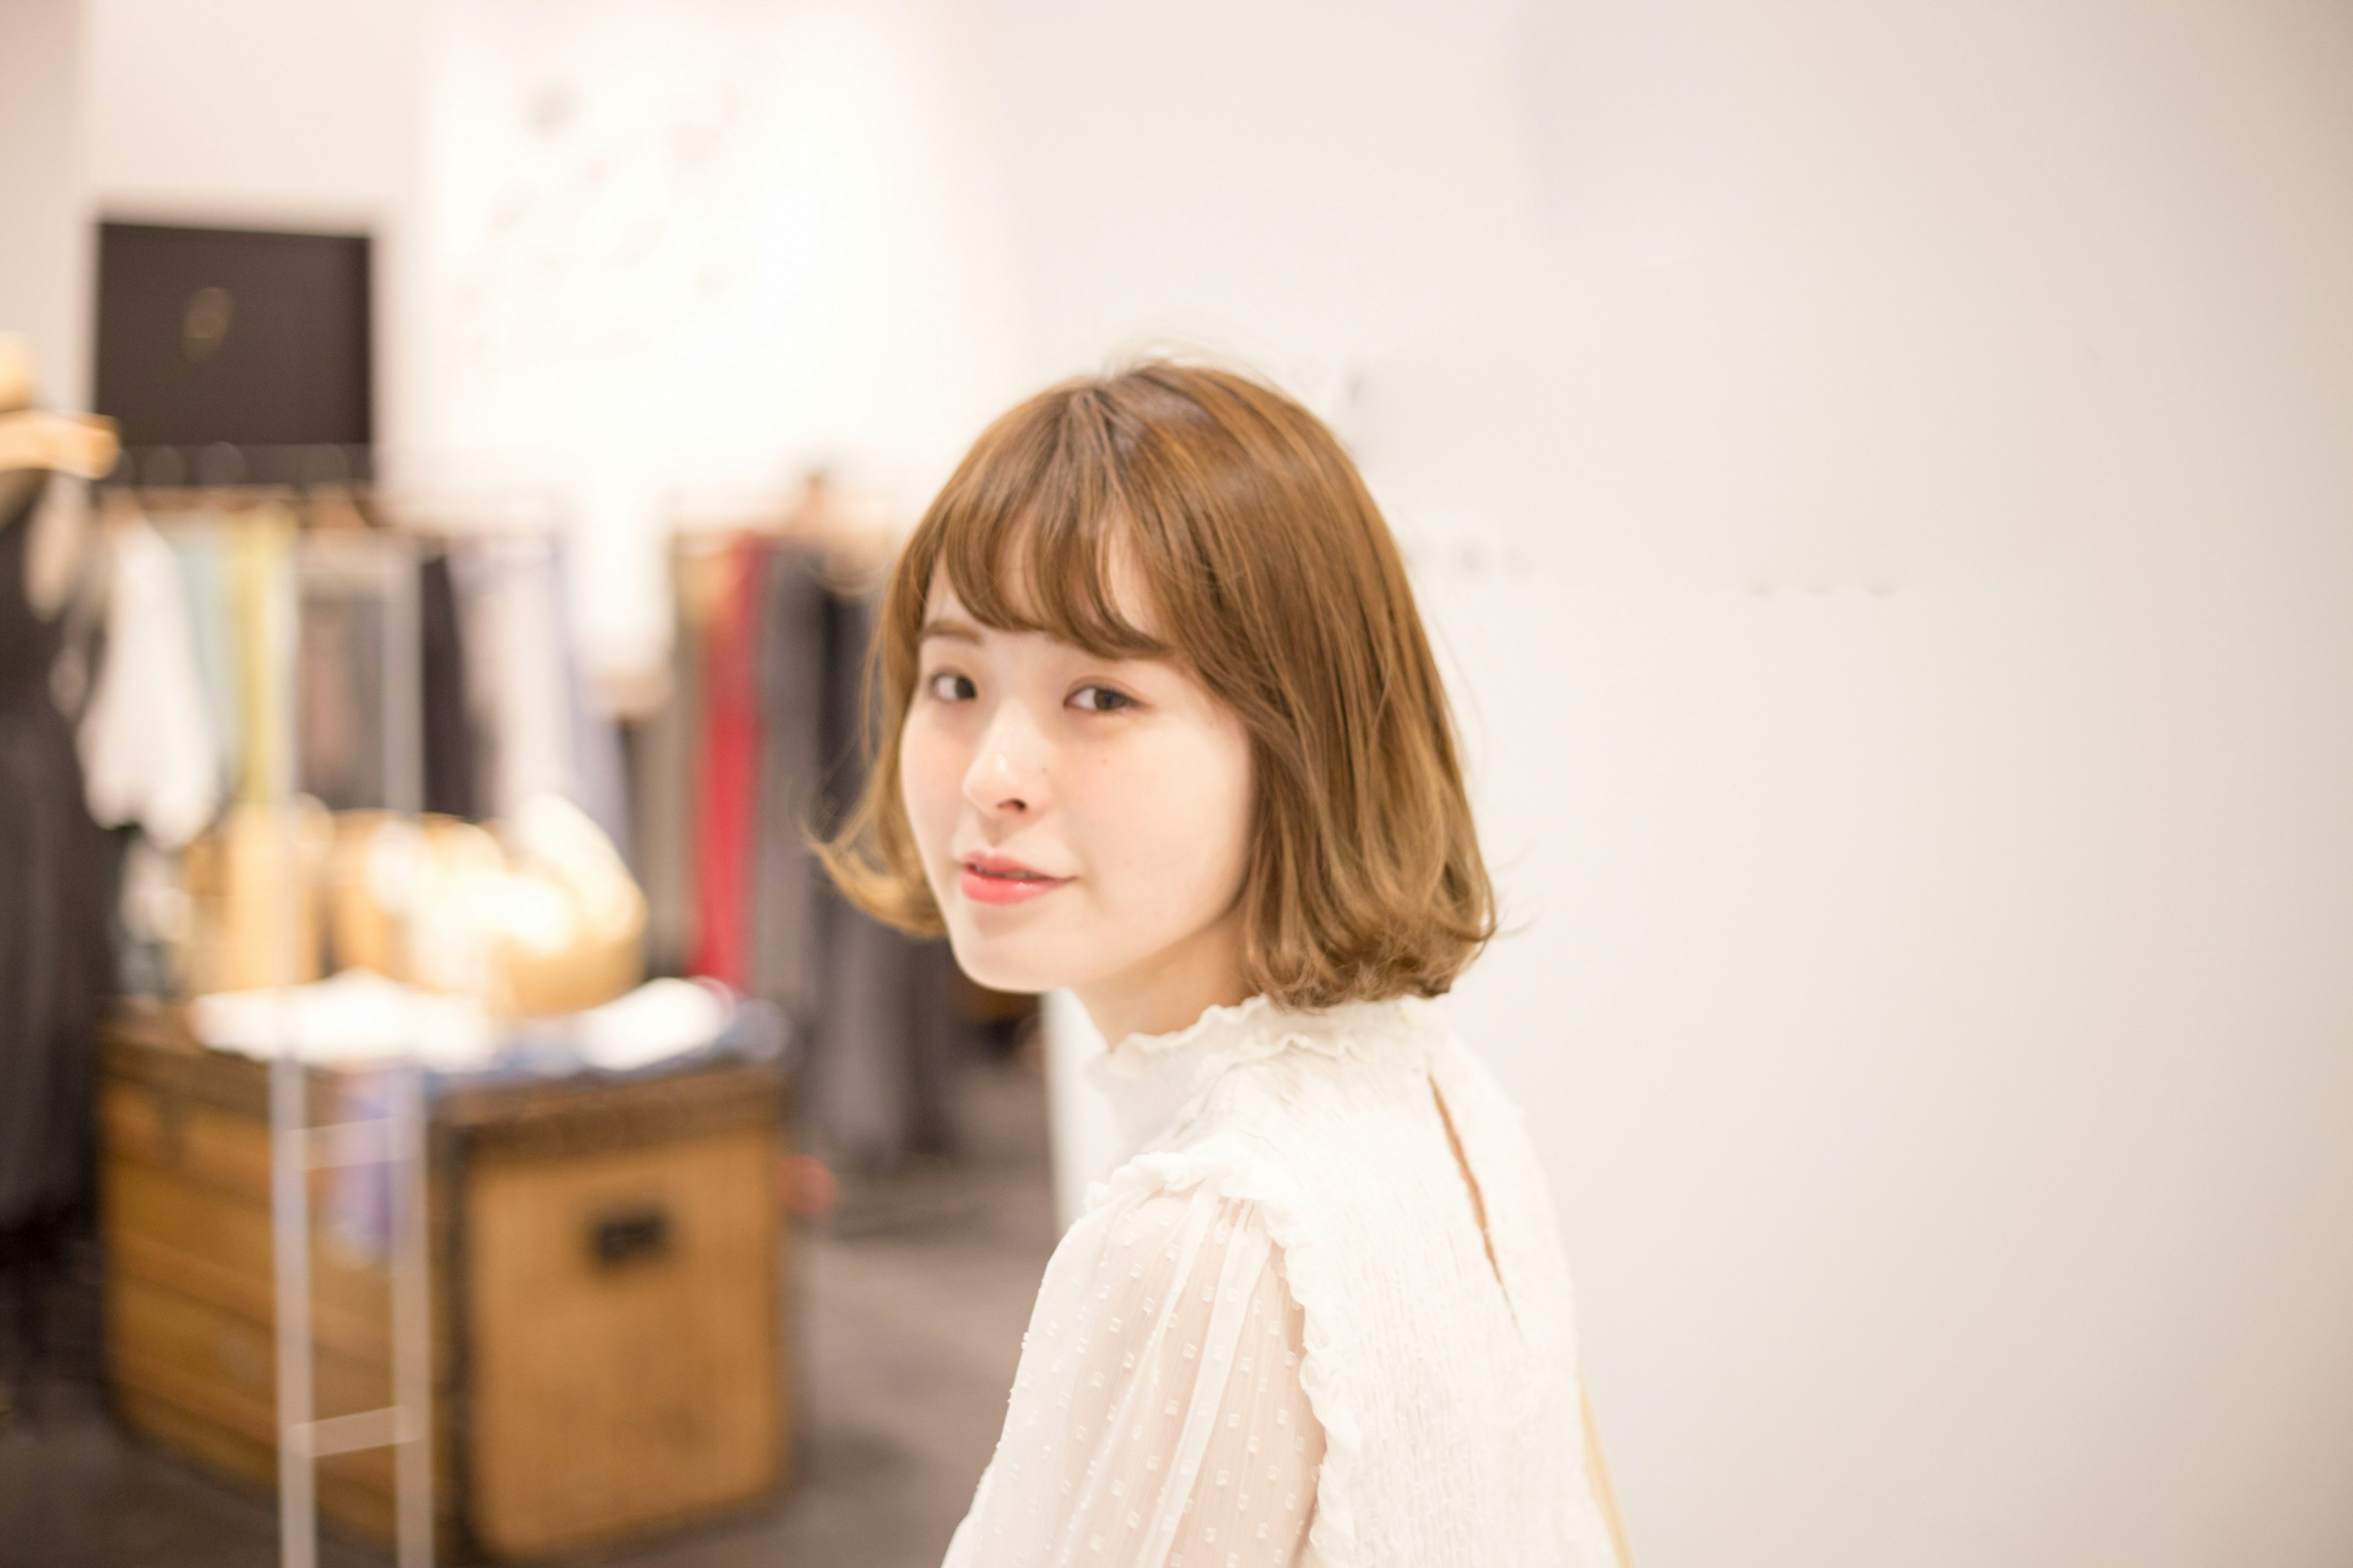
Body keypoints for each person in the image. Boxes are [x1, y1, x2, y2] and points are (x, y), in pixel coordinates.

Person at [822, 361, 1626, 1567]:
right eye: (956, 680)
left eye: (1100, 691)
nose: (994, 770)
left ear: (1298, 735)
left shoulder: (1208, 1232)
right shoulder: (1444, 1094)